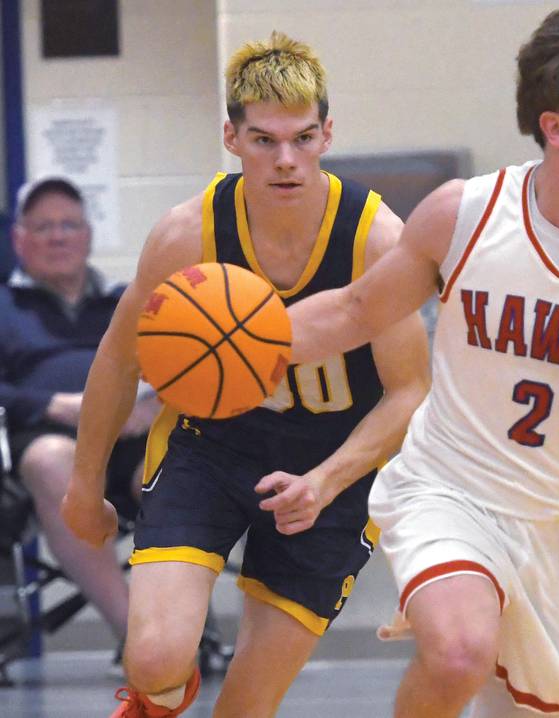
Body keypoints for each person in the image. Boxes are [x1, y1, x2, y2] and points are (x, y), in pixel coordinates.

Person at [281, 8, 559, 718]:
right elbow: (355, 309)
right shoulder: (466, 214)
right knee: (456, 653)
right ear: (555, 128)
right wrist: (247, 338)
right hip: (451, 490)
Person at [61, 32, 430, 718]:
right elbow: (118, 356)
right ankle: (155, 702)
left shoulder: (375, 238)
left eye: (302, 137)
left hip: (331, 467)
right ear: (231, 137)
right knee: (154, 659)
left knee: (248, 705)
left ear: (327, 135)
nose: (285, 160)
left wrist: (326, 481)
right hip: (211, 447)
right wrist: (85, 485)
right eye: (264, 140)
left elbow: (411, 389)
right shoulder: (188, 233)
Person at [0, 177, 159, 652]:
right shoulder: (5, 307)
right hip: (44, 443)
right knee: (54, 461)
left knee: (175, 469)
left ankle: (178, 628)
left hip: (129, 437)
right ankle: (137, 640)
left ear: (88, 235)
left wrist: (154, 406)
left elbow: (184, 367)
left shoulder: (125, 304)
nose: (58, 236)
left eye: (69, 224)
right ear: (19, 239)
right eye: (43, 226)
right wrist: (52, 405)